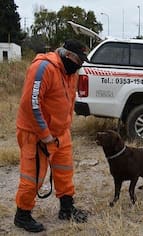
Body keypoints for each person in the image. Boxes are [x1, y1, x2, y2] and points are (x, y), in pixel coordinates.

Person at [14, 39, 89, 232]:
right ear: (68, 55)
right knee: (33, 177)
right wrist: (45, 134)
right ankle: (22, 215)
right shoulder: (43, 68)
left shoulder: (70, 72)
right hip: (35, 134)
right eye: (79, 61)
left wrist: (62, 128)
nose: (80, 65)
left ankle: (66, 208)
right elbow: (31, 104)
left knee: (64, 171)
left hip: (60, 132)